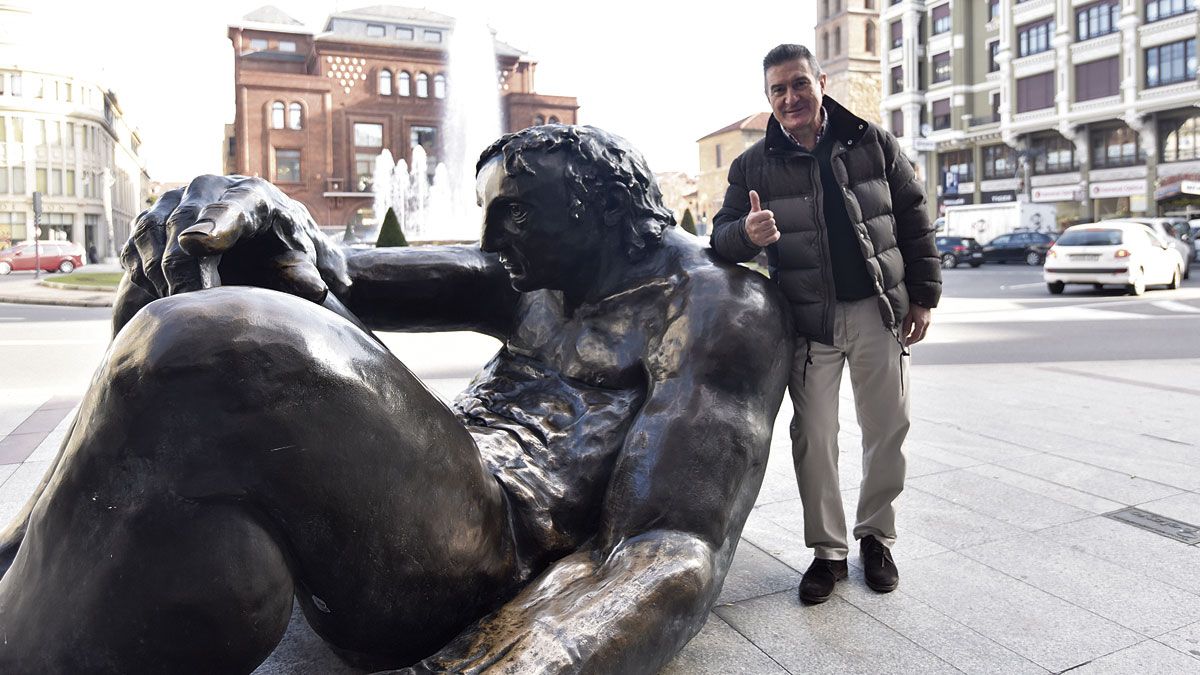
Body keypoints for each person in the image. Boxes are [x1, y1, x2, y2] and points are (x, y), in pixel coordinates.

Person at [0, 125, 793, 673]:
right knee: (178, 275)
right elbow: (327, 273)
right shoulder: (532, 274)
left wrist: (502, 661)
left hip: (488, 549)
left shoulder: (717, 309)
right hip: (430, 497)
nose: (491, 240)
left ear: (599, 209)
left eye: (513, 213)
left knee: (214, 341)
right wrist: (259, 216)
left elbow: (670, 549)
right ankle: (24, 559)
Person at [710, 44, 941, 604]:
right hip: (807, 322)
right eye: (778, 90)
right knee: (813, 438)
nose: (790, 98)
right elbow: (719, 240)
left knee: (888, 428)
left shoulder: (871, 141)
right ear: (769, 98)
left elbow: (912, 218)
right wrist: (749, 235)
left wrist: (924, 296)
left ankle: (877, 539)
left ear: (820, 81)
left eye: (798, 85)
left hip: (876, 309)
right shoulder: (751, 165)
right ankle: (827, 552)